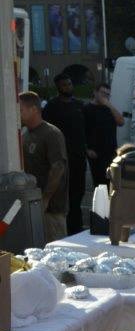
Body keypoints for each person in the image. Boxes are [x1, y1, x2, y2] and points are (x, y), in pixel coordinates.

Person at [19, 92, 68, 242]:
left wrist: (46, 198)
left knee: (53, 253)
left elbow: (58, 167)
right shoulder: (25, 133)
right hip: (31, 206)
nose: (17, 113)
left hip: (51, 210)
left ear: (34, 109)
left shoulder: (51, 133)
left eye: (20, 109)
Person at [42, 73, 86, 233]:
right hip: (59, 157)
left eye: (69, 84)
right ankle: (61, 226)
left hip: (78, 157)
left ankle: (76, 226)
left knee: (77, 192)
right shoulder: (51, 107)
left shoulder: (80, 105)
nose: (68, 87)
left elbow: (87, 129)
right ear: (58, 87)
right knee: (60, 192)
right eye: (64, 85)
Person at [82, 82, 125, 187]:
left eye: (107, 94)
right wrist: (87, 149)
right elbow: (81, 131)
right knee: (100, 184)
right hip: (95, 153)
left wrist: (108, 104)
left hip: (111, 152)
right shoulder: (86, 109)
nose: (105, 96)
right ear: (95, 92)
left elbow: (121, 122)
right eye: (103, 93)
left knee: (112, 183)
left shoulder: (109, 109)